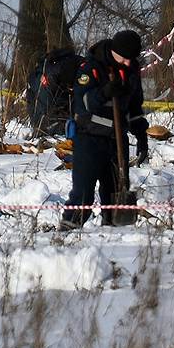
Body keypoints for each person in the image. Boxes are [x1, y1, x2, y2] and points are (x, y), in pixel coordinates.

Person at [60, 30, 148, 230]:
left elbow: (135, 107)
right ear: (114, 51)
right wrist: (104, 92)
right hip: (89, 138)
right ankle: (68, 230)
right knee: (83, 193)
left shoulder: (132, 70)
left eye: (131, 59)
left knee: (117, 189)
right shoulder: (91, 68)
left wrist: (141, 136)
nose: (127, 62)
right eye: (124, 58)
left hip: (117, 140)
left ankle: (115, 230)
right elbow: (82, 103)